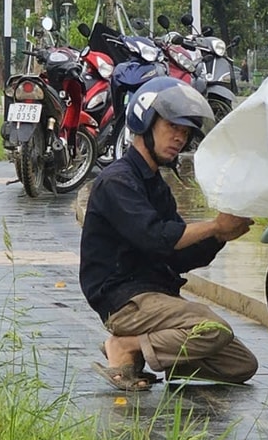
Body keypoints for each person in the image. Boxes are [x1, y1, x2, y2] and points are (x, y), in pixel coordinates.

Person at [80, 75, 257, 390]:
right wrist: (214, 225)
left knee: (241, 366)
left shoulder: (155, 185)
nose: (179, 138)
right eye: (172, 127)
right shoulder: (117, 181)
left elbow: (177, 256)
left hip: (158, 297)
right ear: (145, 124)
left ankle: (149, 353)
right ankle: (126, 347)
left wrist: (220, 236)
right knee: (212, 328)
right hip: (125, 299)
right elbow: (157, 237)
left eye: (185, 132)